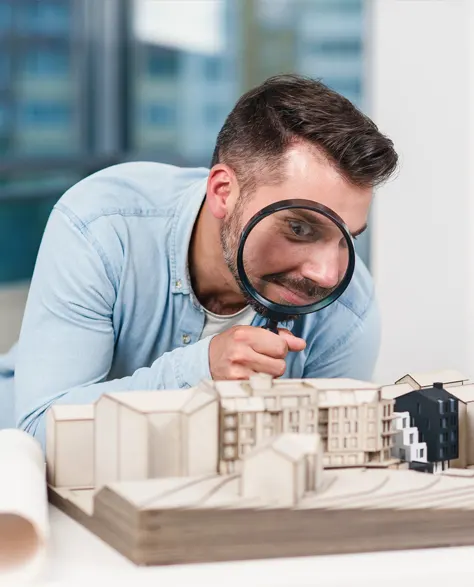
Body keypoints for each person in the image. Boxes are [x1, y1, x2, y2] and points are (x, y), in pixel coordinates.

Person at [0, 74, 398, 449]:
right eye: (299, 228)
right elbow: (40, 432)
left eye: (347, 238)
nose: (327, 274)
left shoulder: (348, 309)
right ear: (223, 191)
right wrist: (199, 371)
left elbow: (328, 467)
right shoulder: (104, 226)